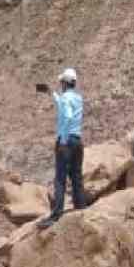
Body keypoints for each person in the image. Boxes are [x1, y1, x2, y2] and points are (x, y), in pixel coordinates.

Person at [39, 67, 85, 228]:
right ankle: (81, 208)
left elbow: (67, 115)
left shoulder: (66, 98)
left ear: (65, 83)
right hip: (78, 141)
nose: (60, 86)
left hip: (66, 142)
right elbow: (64, 104)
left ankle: (56, 215)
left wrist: (63, 140)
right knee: (76, 176)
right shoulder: (78, 98)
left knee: (60, 179)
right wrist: (51, 93)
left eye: (61, 83)